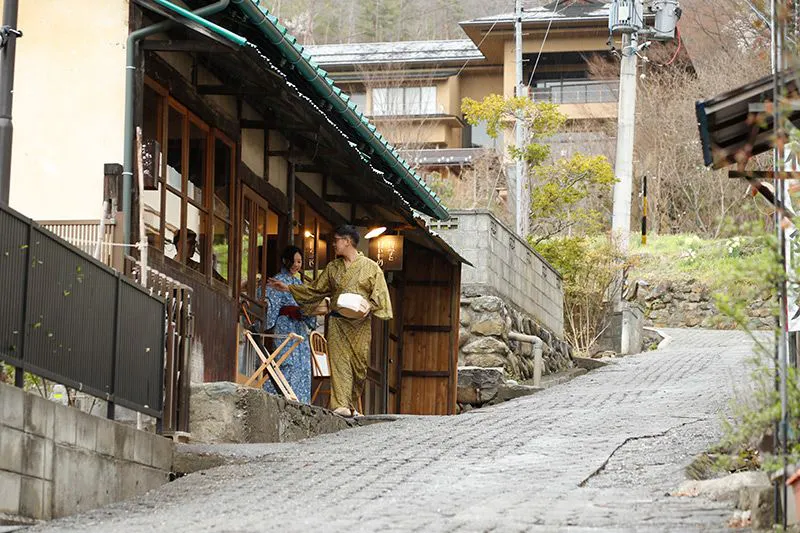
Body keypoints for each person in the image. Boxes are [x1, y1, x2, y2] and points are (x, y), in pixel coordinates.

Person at [268, 225, 392, 417]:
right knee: (339, 361)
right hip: (337, 322)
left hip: (360, 324)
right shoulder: (333, 268)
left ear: (347, 241)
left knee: (359, 366)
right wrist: (288, 288)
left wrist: (369, 305)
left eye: (336, 240)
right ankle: (340, 404)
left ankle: (350, 404)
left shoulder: (371, 267)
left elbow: (380, 296)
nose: (334, 244)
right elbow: (315, 290)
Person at [262, 246, 317, 404]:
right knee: (287, 360)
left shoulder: (299, 283)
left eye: (299, 261)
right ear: (286, 261)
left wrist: (308, 312)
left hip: (299, 326)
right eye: (294, 261)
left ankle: (301, 401)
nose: (296, 265)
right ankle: (282, 397)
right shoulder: (278, 280)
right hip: (285, 324)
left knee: (302, 364)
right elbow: (271, 302)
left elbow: (308, 305)